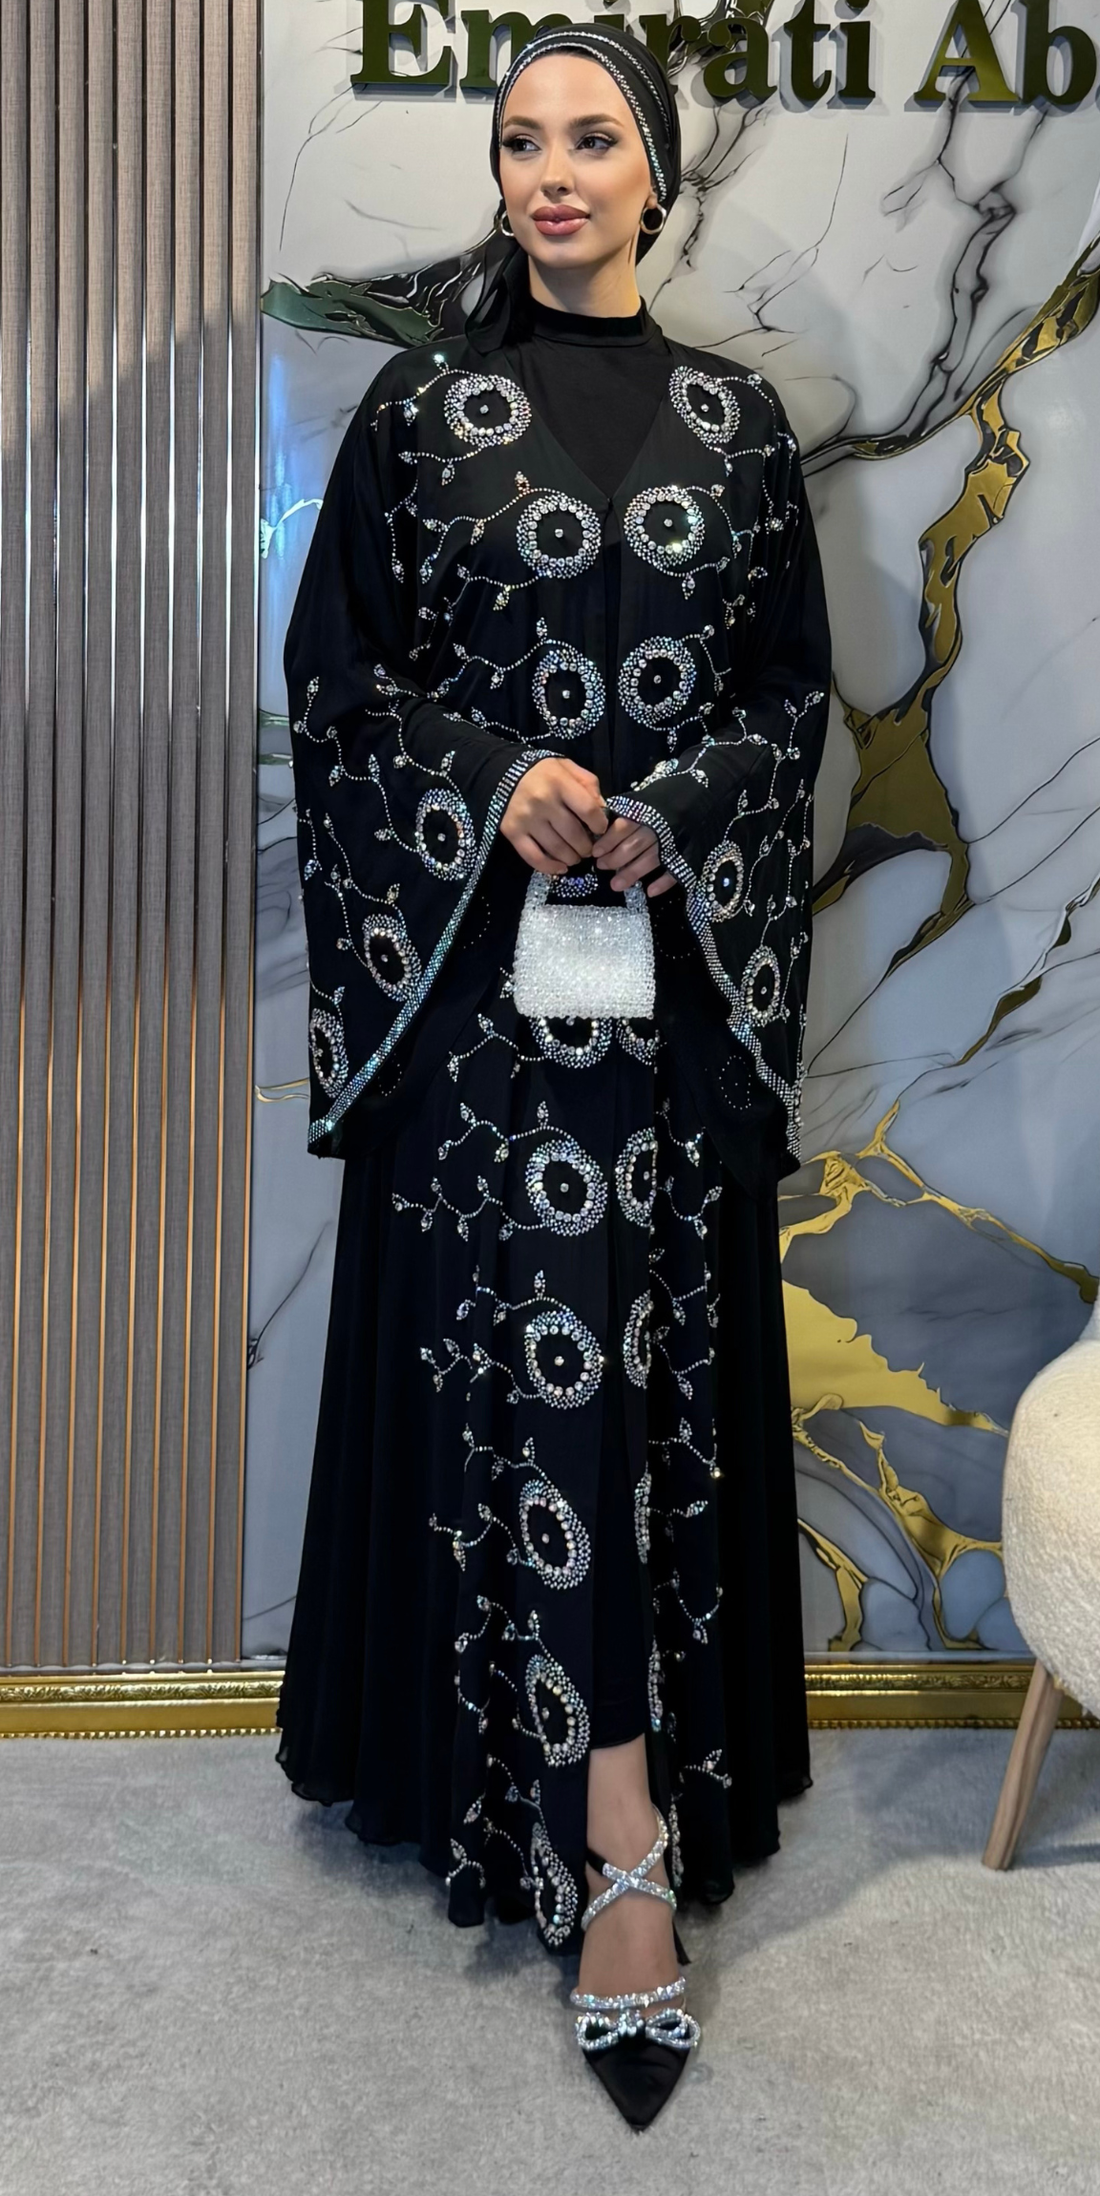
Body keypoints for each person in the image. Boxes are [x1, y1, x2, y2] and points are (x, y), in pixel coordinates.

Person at [274, 20, 831, 2131]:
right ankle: (602, 1840)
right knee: (527, 1374)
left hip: (663, 992)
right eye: (521, 140)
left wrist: (683, 802)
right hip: (478, 1013)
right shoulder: (424, 414)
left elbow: (792, 695)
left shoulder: (736, 423)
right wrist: (493, 774)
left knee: (637, 1373)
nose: (553, 171)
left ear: (656, 172)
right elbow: (341, 688)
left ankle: (623, 1821)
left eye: (593, 137)